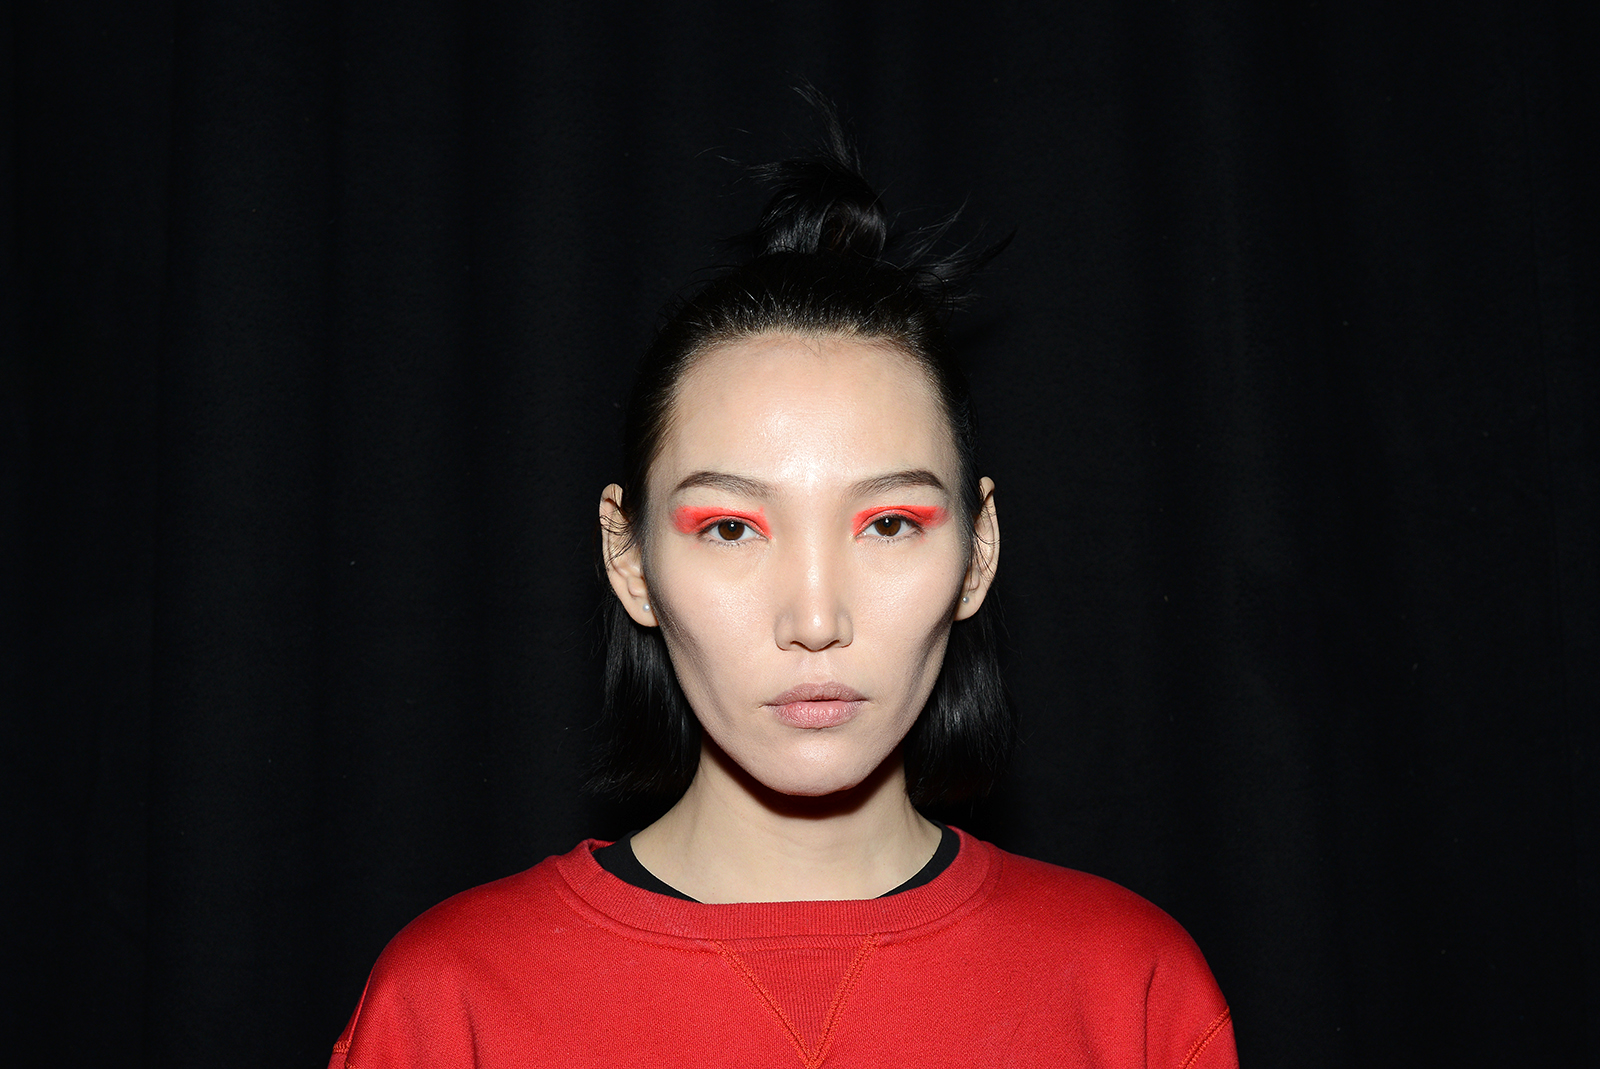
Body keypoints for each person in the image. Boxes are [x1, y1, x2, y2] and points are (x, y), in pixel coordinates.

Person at [328, 109, 1238, 1069]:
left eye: (889, 524)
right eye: (731, 528)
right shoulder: (450, 1003)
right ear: (627, 558)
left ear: (979, 551)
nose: (814, 619)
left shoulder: (1130, 991)